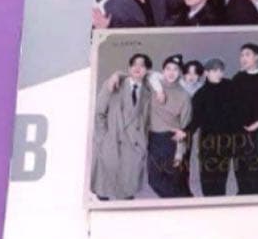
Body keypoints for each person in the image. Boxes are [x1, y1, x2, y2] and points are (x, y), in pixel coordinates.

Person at [91, 52, 152, 200]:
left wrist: (143, 145)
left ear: (147, 70)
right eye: (134, 64)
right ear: (129, 68)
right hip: (111, 142)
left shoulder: (148, 93)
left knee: (126, 196)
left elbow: (147, 122)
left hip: (134, 147)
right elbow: (99, 112)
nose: (138, 68)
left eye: (142, 66)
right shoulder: (114, 84)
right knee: (104, 194)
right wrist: (102, 139)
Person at [189, 58, 237, 196]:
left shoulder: (230, 87)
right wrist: (186, 132)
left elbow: (238, 110)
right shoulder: (200, 94)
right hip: (207, 142)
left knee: (222, 177)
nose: (218, 73)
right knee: (208, 177)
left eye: (221, 70)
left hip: (227, 140)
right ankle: (209, 204)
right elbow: (196, 119)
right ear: (206, 73)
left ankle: (220, 205)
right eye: (214, 70)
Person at [147, 55, 192, 198]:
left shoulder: (184, 95)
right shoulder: (153, 86)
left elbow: (185, 122)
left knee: (173, 179)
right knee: (154, 180)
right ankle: (184, 201)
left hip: (171, 141)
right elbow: (138, 74)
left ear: (180, 73)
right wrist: (116, 75)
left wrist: (181, 138)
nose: (171, 73)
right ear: (163, 70)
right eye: (168, 68)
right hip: (153, 139)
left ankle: (184, 203)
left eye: (175, 69)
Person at [230, 44, 258, 195]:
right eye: (242, 55)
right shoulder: (238, 77)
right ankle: (242, 194)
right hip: (235, 129)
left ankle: (256, 196)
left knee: (251, 163)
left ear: (256, 57)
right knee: (238, 163)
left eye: (247, 54)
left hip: (251, 129)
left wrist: (256, 125)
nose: (243, 58)